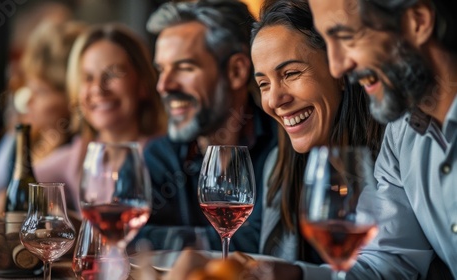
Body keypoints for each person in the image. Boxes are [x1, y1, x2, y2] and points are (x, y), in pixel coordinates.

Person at [132, 0, 278, 254]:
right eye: (161, 70)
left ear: (236, 71)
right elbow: (131, 236)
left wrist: (171, 241)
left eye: (185, 67)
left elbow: (260, 245)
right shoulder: (160, 155)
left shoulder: (284, 149)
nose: (163, 86)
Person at [250, 0, 384, 264]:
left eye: (291, 73)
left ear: (340, 70)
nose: (275, 100)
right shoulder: (278, 166)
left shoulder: (393, 157)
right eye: (263, 84)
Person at [34, 23, 167, 213]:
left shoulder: (165, 157)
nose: (98, 88)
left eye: (112, 74)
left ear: (143, 84)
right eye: (88, 78)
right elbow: (24, 186)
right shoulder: (78, 156)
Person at [0, 21, 87, 212]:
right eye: (29, 87)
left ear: (73, 97)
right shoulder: (15, 141)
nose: (27, 100)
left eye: (41, 91)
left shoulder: (84, 152)